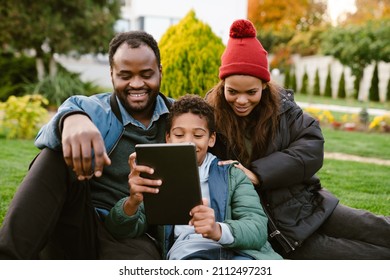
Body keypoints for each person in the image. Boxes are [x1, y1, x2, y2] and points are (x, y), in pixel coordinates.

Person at [205, 19, 390, 259]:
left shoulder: (283, 109)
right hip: (279, 231)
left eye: (251, 92)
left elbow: (311, 147)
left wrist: (258, 174)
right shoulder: (209, 119)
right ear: (222, 86)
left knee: (375, 226)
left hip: (309, 205)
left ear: (264, 84)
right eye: (232, 91)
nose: (241, 100)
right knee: (367, 256)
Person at [0, 31, 174, 259]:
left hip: (134, 234)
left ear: (160, 71)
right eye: (125, 75)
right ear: (112, 74)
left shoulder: (178, 116)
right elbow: (45, 136)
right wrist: (70, 120)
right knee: (56, 154)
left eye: (146, 74)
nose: (136, 84)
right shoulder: (94, 109)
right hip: (80, 223)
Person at [105, 94, 282, 260]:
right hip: (190, 255)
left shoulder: (232, 174)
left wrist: (217, 229)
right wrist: (133, 201)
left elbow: (257, 228)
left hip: (239, 254)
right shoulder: (156, 175)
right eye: (179, 134)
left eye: (198, 135)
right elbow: (119, 230)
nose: (188, 141)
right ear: (168, 138)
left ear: (211, 139)